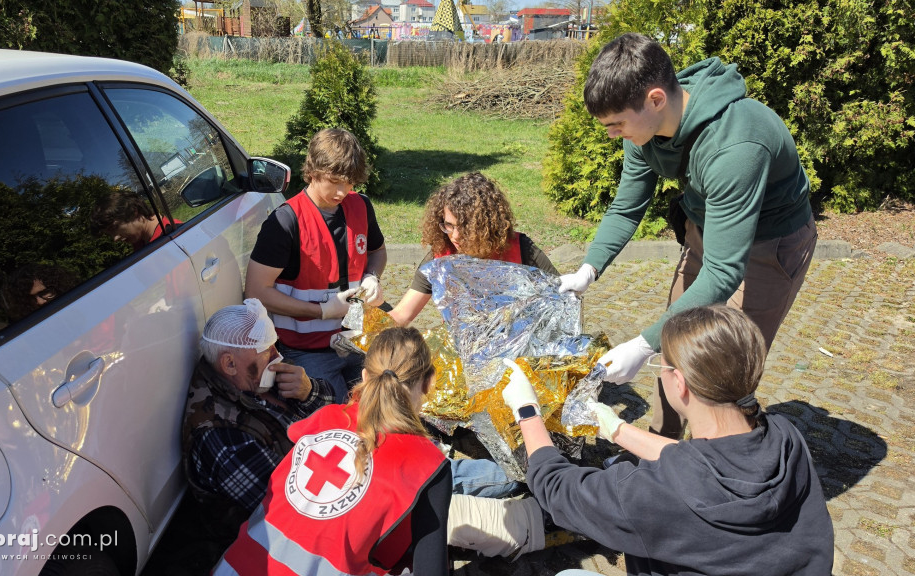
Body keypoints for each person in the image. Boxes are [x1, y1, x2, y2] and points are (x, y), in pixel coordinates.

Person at [559, 33, 817, 440]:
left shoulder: (737, 145)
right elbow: (627, 207)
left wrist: (642, 344)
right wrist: (588, 270)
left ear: (656, 99)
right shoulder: (643, 126)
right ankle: (660, 448)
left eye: (617, 125)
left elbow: (723, 272)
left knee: (722, 368)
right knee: (675, 344)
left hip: (770, 244)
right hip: (707, 229)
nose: (612, 135)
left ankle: (721, 466)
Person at [501, 305, 834, 575]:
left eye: (662, 364)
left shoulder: (651, 493)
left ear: (680, 383)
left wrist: (527, 411)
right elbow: (698, 464)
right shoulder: (785, 436)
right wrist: (617, 429)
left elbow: (556, 489)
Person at [212, 327, 550, 575]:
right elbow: (430, 570)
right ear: (429, 383)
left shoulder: (323, 419)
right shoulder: (427, 464)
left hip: (233, 566)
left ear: (363, 375)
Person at [246, 128, 387, 403]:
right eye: (333, 181)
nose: (341, 192)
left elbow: (378, 251)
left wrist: (372, 277)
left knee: (385, 402)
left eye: (348, 182)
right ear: (312, 171)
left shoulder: (361, 206)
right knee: (334, 414)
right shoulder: (285, 222)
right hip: (306, 351)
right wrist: (320, 312)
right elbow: (255, 291)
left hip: (356, 339)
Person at [181, 299, 336, 536]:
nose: (278, 356)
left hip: (319, 469)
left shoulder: (252, 374)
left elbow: (332, 405)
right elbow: (293, 509)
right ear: (229, 363)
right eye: (268, 351)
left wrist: (309, 391)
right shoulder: (223, 438)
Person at [389, 171, 558, 327]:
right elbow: (402, 315)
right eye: (449, 225)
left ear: (486, 225)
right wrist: (371, 318)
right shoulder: (441, 255)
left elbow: (563, 297)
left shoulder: (520, 248)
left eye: (465, 227)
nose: (455, 236)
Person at [90, 189, 181, 250]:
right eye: (109, 234)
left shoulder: (174, 237)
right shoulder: (140, 243)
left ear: (133, 212)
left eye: (114, 228)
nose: (115, 238)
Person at [0, 263, 79, 321]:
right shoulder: (26, 332)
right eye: (30, 298)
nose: (40, 302)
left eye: (44, 293)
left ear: (58, 288)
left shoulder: (79, 308)